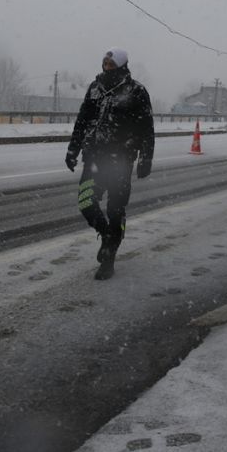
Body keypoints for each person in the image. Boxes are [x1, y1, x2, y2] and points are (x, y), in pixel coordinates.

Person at [65, 48, 155, 280]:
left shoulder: (136, 91)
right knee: (86, 201)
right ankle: (106, 235)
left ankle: (109, 257)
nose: (107, 66)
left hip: (121, 161)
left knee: (115, 210)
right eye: (105, 63)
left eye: (111, 63)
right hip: (93, 158)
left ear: (122, 65)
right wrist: (73, 149)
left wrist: (146, 158)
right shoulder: (95, 88)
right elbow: (82, 120)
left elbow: (146, 128)